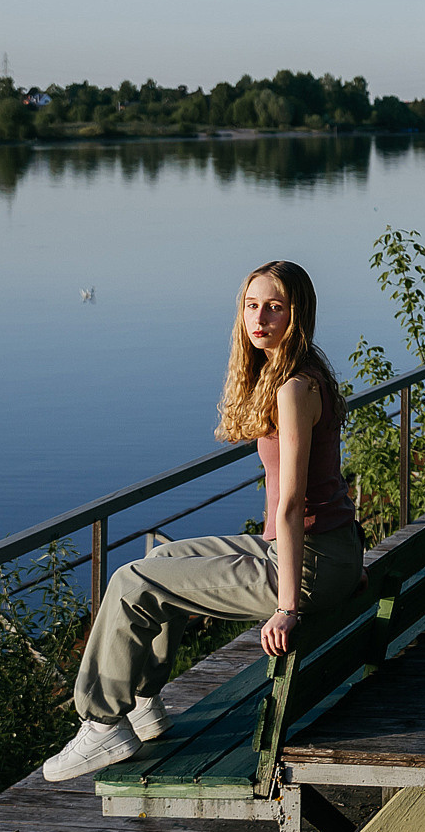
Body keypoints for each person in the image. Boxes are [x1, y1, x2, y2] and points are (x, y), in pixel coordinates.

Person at [43, 261, 362, 782]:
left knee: (129, 581)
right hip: (327, 554)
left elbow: (292, 501)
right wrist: (349, 563)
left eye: (275, 307)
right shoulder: (302, 373)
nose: (260, 318)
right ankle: (143, 701)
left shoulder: (293, 389)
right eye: (251, 305)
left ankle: (102, 725)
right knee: (161, 559)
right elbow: (329, 487)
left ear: (297, 314)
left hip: (305, 566)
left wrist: (287, 609)